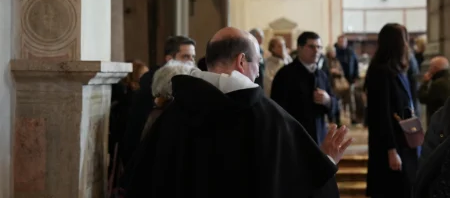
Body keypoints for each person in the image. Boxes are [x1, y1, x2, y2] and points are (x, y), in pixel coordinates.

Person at [121, 27, 353, 198]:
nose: (257, 73)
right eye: (257, 63)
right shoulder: (269, 118)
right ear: (242, 61)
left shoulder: (174, 113)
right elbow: (296, 187)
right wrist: (326, 161)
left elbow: (143, 181)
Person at [120, 36, 196, 165]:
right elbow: (136, 130)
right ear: (169, 59)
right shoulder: (150, 87)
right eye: (185, 57)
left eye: (192, 57)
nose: (191, 62)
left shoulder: (189, 84)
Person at [365, 23, 419, 198]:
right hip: (391, 146)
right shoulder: (380, 72)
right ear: (396, 42)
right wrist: (391, 150)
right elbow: (381, 115)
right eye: (404, 39)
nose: (407, 44)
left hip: (405, 142)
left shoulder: (398, 70)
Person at [271, 31, 336, 144]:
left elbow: (335, 105)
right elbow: (277, 111)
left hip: (319, 137)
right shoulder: (285, 74)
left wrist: (328, 100)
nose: (316, 51)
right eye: (311, 47)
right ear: (299, 48)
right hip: (294, 138)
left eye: (319, 47)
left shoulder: (322, 75)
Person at [418, 56, 450, 125]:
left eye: (430, 67)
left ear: (435, 68)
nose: (429, 69)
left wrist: (425, 83)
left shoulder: (438, 84)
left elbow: (423, 98)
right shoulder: (446, 80)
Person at [334, 35, 359, 124]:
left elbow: (356, 64)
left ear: (346, 42)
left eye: (343, 41)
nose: (342, 43)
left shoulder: (351, 52)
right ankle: (338, 119)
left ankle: (353, 118)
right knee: (338, 100)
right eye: (340, 41)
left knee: (351, 100)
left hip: (350, 80)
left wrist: (356, 77)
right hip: (338, 81)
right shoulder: (334, 52)